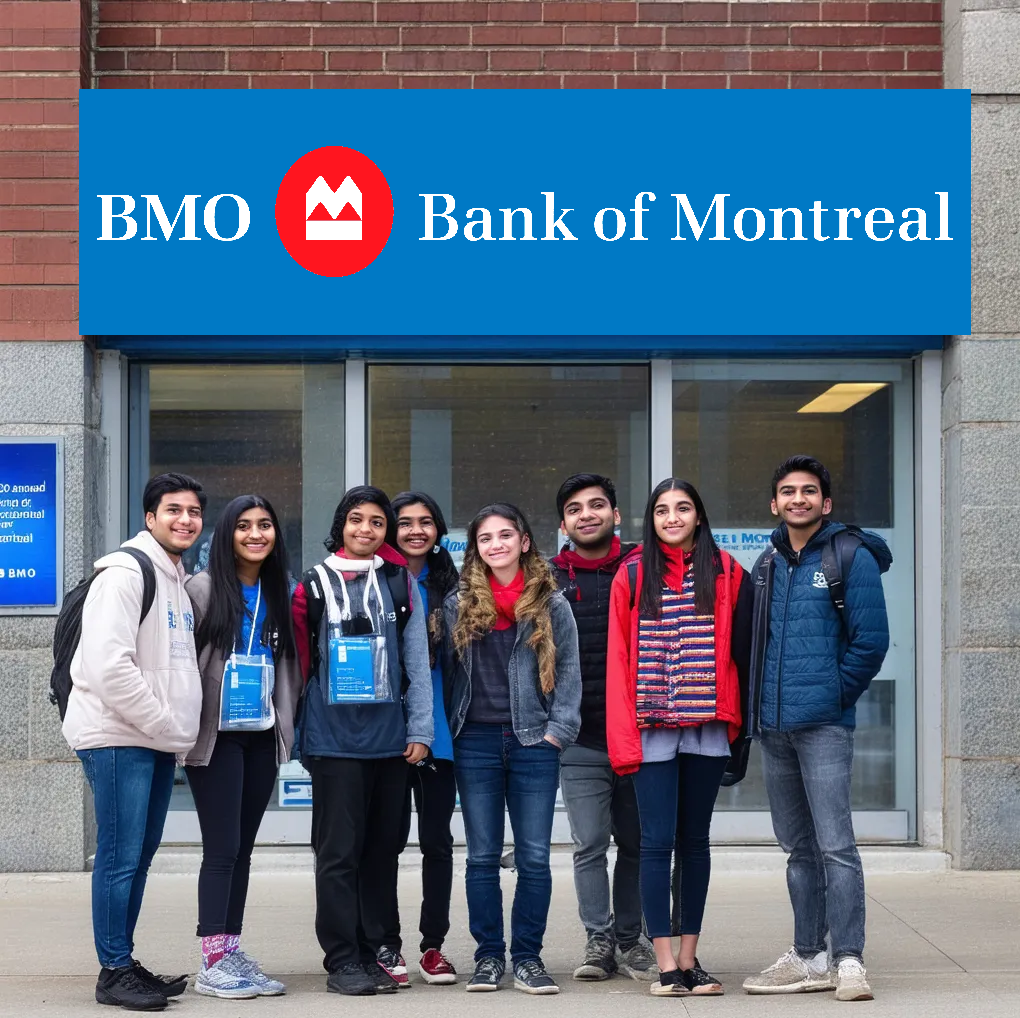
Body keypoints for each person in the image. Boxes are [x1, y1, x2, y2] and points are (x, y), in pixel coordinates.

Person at [742, 456, 890, 1003]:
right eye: (787, 492)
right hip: (774, 728)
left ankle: (848, 959)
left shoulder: (850, 555)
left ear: (825, 503)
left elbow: (870, 642)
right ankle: (809, 955)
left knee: (836, 847)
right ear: (774, 504)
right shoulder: (766, 564)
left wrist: (832, 698)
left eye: (809, 492)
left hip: (823, 726)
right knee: (797, 849)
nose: (797, 499)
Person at [62, 473, 206, 1012]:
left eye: (193, 511)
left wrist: (170, 732)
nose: (185, 519)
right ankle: (112, 972)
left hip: (150, 739)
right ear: (150, 518)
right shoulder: (126, 573)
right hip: (119, 736)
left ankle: (122, 959)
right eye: (173, 509)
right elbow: (106, 667)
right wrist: (166, 725)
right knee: (120, 858)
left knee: (138, 857)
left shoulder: (175, 578)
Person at [606, 478, 752, 998]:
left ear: (698, 515)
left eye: (683, 507)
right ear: (652, 518)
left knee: (695, 844)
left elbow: (742, 654)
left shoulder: (730, 571)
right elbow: (619, 659)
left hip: (708, 725)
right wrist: (622, 739)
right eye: (663, 509)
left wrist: (741, 731)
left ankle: (690, 959)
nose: (672, 517)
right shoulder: (632, 573)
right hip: (650, 729)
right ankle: (664, 962)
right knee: (655, 843)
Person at [291, 486, 434, 997]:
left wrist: (420, 730)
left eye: (377, 522)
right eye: (357, 520)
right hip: (333, 743)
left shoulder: (401, 582)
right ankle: (341, 958)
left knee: (380, 853)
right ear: (341, 524)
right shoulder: (312, 584)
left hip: (390, 744)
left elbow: (416, 662)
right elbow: (301, 666)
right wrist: (298, 734)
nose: (366, 529)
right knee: (338, 854)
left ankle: (373, 951)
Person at [442, 502, 581, 996]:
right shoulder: (458, 604)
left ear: (524, 542)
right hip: (475, 741)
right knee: (480, 856)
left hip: (532, 741)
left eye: (506, 535)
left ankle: (527, 958)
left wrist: (557, 732)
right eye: (485, 538)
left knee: (535, 857)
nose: (496, 544)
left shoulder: (551, 603)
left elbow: (568, 674)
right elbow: (448, 676)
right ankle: (487, 958)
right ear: (475, 548)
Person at [183, 495, 303, 998]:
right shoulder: (203, 588)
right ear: (228, 533)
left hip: (259, 734)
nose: (256, 534)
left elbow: (288, 666)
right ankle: (212, 959)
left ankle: (231, 949)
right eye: (245, 526)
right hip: (215, 737)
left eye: (266, 525)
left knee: (245, 849)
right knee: (222, 847)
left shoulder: (281, 591)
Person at [549, 474, 656, 983]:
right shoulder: (548, 579)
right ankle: (598, 938)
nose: (586, 514)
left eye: (597, 505)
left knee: (636, 843)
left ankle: (631, 940)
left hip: (639, 733)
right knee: (589, 842)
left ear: (616, 514)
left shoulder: (644, 567)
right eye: (575, 508)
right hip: (580, 737)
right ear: (563, 523)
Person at [382, 491, 461, 986]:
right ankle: (387, 944)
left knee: (437, 843)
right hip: (385, 737)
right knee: (385, 843)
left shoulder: (454, 586)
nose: (415, 530)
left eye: (425, 521)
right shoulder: (376, 578)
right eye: (405, 522)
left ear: (438, 529)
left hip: (442, 736)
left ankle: (433, 946)